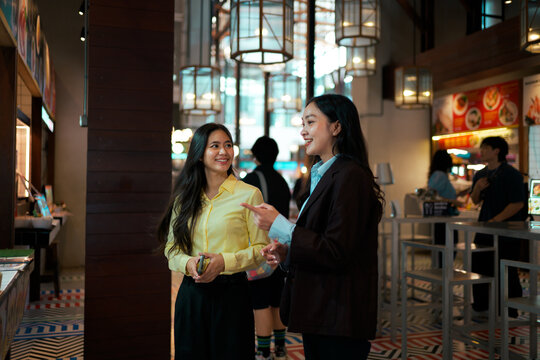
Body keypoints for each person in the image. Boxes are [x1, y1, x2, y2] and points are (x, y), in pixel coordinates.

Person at [241, 94, 383, 360]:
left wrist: (281, 226)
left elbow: (337, 250)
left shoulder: (350, 176)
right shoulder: (323, 173)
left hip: (340, 314)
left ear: (336, 127)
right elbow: (321, 240)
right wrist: (286, 253)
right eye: (302, 123)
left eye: (310, 121)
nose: (302, 130)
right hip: (321, 310)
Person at [157, 123, 269, 360]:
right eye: (215, 146)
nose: (224, 152)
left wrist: (224, 262)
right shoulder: (184, 197)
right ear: (199, 153)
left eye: (228, 145)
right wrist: (188, 264)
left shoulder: (249, 194)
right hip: (191, 295)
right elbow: (172, 248)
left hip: (232, 296)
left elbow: (260, 249)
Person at [243, 136, 291, 360]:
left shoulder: (252, 178)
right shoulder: (282, 181)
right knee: (276, 298)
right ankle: (280, 347)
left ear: (255, 155)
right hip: (281, 246)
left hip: (261, 247)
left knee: (260, 300)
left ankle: (263, 352)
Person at [470, 136, 527, 318]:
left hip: (507, 232)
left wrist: (496, 220)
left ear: (497, 151)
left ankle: (510, 309)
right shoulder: (480, 174)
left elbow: (517, 204)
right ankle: (481, 305)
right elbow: (475, 200)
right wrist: (477, 188)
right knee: (479, 267)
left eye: (486, 148)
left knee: (506, 270)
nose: (482, 151)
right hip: (484, 229)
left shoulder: (512, 175)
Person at [428, 149, 461, 267]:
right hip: (445, 219)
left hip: (442, 219)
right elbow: (431, 195)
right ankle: (443, 281)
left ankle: (442, 282)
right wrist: (452, 201)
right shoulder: (440, 175)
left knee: (444, 251)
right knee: (448, 250)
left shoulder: (437, 175)